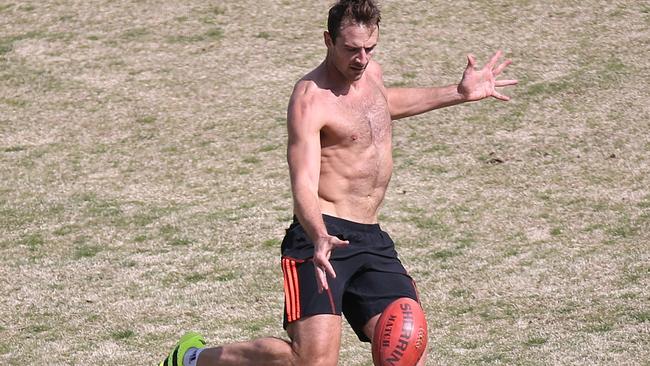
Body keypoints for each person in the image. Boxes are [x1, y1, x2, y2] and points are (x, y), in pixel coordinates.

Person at [159, 0, 517, 365]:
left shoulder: (370, 73)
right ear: (328, 40)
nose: (361, 58)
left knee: (405, 351)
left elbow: (380, 104)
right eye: (351, 49)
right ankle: (192, 358)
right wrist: (317, 235)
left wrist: (458, 93)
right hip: (320, 237)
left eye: (369, 48)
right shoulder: (310, 99)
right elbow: (302, 182)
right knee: (309, 361)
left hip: (370, 239)